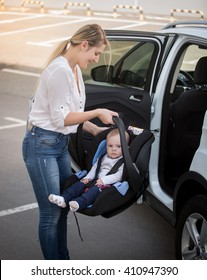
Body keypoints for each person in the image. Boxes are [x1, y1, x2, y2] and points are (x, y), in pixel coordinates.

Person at [22, 24, 119, 260]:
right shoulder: (60, 71)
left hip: (59, 143)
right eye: (95, 53)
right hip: (41, 144)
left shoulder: (74, 71)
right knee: (50, 213)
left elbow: (71, 112)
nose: (96, 59)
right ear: (84, 44)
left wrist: (94, 128)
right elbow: (61, 117)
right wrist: (96, 111)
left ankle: (63, 262)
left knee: (63, 207)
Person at [48, 128, 130, 212]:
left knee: (93, 191)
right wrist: (88, 178)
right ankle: (63, 198)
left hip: (107, 186)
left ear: (126, 148)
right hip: (94, 181)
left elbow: (119, 176)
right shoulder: (103, 158)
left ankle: (78, 203)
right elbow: (94, 169)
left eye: (118, 146)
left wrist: (103, 180)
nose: (113, 149)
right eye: (110, 146)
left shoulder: (124, 162)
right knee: (79, 184)